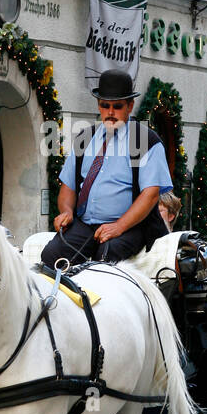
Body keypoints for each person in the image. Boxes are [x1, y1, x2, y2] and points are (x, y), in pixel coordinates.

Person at [40, 70, 173, 268]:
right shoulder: (84, 138)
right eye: (105, 105)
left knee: (106, 256)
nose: (110, 112)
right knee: (52, 255)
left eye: (117, 106)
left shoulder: (146, 141)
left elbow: (151, 194)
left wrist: (119, 226)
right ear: (99, 105)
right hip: (85, 224)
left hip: (132, 226)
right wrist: (66, 211)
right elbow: (68, 187)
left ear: (130, 106)